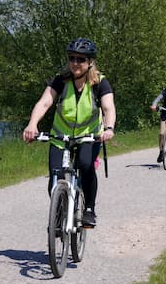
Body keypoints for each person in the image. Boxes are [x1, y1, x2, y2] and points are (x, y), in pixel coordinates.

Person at [23, 38, 116, 227]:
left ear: (90, 62)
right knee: (55, 178)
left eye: (80, 59)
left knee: (85, 164)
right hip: (61, 136)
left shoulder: (99, 83)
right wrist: (32, 124)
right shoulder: (61, 80)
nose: (75, 63)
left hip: (89, 135)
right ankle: (59, 212)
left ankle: (89, 209)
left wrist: (109, 128)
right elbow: (44, 102)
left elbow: (108, 108)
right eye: (72, 58)